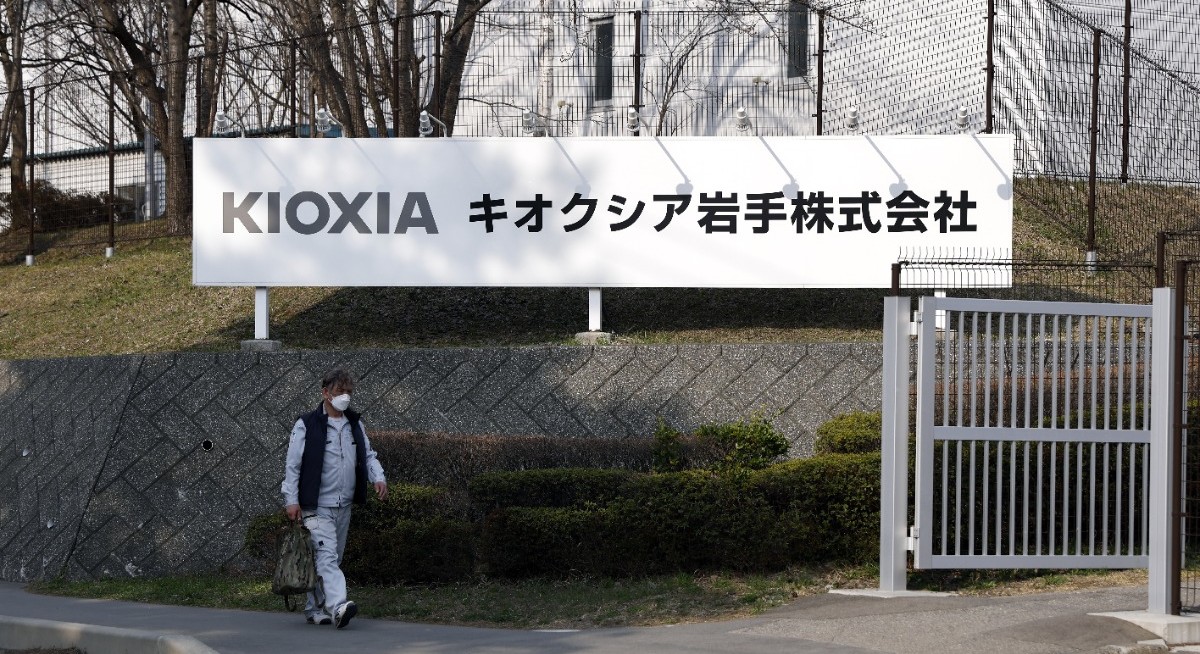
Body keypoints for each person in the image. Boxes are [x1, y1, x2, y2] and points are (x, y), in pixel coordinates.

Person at [282, 367, 388, 629]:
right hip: (316, 505)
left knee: (330, 559)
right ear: (325, 393)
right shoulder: (306, 424)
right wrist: (291, 499)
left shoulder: (354, 424)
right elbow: (293, 465)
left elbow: (368, 455)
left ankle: (314, 608)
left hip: (344, 504)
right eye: (340, 391)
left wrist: (378, 477)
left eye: (349, 392)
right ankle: (339, 605)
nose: (345, 397)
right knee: (327, 556)